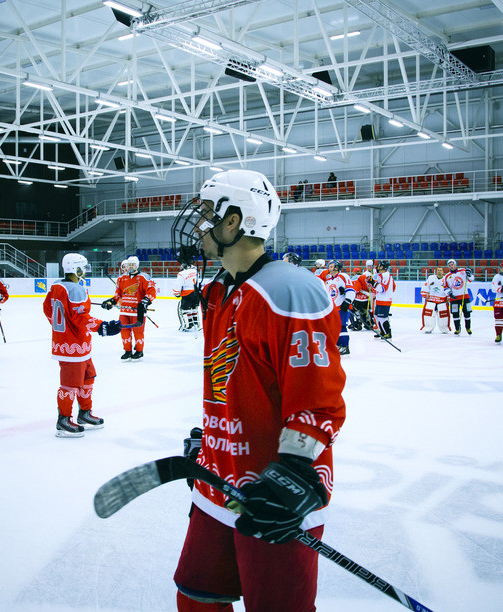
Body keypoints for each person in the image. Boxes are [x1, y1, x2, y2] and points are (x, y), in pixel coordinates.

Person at [170, 169, 346, 612]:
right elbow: (229, 385)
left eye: (209, 214)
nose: (199, 224)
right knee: (197, 600)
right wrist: (213, 441)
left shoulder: (291, 291)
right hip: (218, 484)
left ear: (234, 222)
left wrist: (293, 472)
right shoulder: (217, 292)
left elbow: (318, 400)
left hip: (274, 497)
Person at [43, 253, 121, 438]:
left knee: (88, 378)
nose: (85, 271)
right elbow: (80, 318)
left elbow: (47, 309)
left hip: (76, 345)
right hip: (73, 346)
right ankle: (63, 419)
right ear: (75, 268)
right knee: (70, 385)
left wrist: (61, 329)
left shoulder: (56, 286)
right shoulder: (76, 290)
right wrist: (102, 326)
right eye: (83, 267)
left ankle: (84, 413)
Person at [102, 255, 156, 360]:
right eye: (129, 264)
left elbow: (151, 291)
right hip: (124, 310)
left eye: (133, 264)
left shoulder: (144, 277)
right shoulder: (121, 279)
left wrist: (146, 300)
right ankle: (127, 351)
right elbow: (117, 295)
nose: (131, 266)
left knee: (138, 332)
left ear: (137, 265)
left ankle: (139, 351)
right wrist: (111, 302)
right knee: (124, 331)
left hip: (138, 311)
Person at [324, 259, 355, 355]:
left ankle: (345, 346)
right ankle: (337, 345)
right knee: (333, 328)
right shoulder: (328, 279)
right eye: (329, 265)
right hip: (333, 308)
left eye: (332, 266)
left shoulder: (343, 276)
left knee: (341, 326)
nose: (330, 267)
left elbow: (351, 290)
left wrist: (347, 301)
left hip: (342, 307)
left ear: (337, 268)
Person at [442, 259, 474, 335]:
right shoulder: (447, 276)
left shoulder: (463, 271)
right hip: (454, 298)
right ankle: (457, 328)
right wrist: (449, 293)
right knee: (455, 314)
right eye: (449, 265)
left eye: (452, 264)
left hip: (464, 297)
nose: (451, 266)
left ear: (455, 264)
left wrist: (470, 274)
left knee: (467, 313)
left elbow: (471, 279)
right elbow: (445, 287)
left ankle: (468, 328)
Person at [369, 260, 396, 339]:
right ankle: (382, 331)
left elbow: (383, 288)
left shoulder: (386, 275)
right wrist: (371, 283)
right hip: (380, 299)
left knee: (382, 317)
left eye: (380, 265)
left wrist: (374, 284)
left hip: (385, 299)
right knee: (377, 316)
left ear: (384, 267)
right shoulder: (381, 275)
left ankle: (387, 333)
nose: (378, 267)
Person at [422, 266, 451, 334]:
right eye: (438, 270)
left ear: (443, 272)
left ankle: (444, 329)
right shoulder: (431, 278)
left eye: (440, 270)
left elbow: (449, 289)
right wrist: (426, 294)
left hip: (442, 301)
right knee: (428, 315)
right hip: (431, 300)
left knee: (443, 316)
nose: (439, 271)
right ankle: (428, 328)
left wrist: (448, 297)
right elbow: (425, 286)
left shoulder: (446, 279)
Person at [173, 263, 200, 332]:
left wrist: (176, 293)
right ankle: (197, 323)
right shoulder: (196, 271)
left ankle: (187, 325)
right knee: (194, 308)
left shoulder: (182, 274)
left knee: (184, 310)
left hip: (186, 293)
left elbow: (178, 284)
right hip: (196, 293)